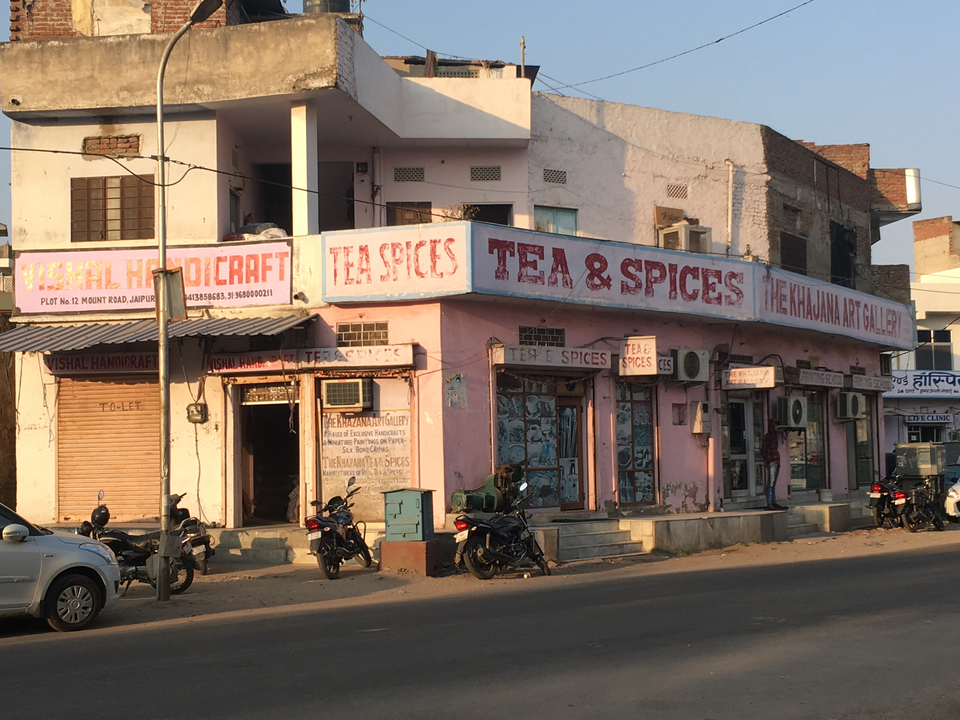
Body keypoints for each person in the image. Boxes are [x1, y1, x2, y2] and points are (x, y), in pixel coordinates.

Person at [761, 418, 785, 510]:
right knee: (770, 483)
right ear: (772, 426)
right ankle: (769, 502)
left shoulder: (775, 436)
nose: (777, 427)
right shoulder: (768, 437)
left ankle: (774, 502)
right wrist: (766, 459)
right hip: (771, 461)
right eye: (776, 425)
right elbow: (763, 449)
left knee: (773, 483)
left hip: (776, 461)